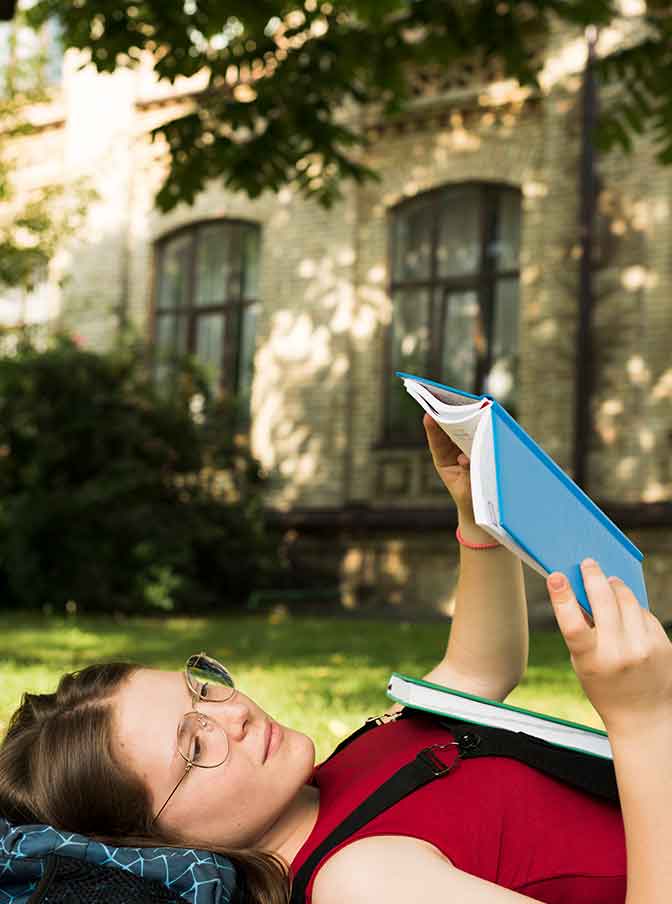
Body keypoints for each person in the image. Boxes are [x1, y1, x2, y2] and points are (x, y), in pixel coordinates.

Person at [1, 413, 671, 904]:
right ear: (165, 842)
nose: (230, 716)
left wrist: (475, 517)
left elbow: (474, 677)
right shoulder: (360, 882)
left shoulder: (329, 776)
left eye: (201, 691)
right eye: (194, 746)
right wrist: (644, 723)